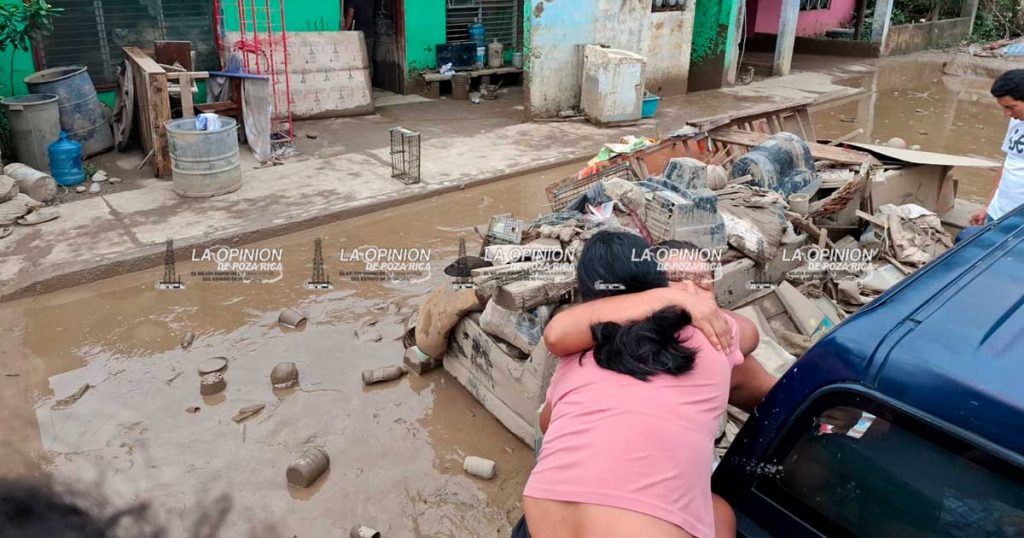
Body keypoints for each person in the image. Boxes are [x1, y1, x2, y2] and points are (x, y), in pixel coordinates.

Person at [521, 231, 742, 538]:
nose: (692, 292)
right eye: (679, 283)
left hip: (544, 510)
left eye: (704, 282)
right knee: (718, 514)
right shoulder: (717, 336)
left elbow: (548, 422)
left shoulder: (577, 353)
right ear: (657, 283)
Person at [544, 239, 776, 414]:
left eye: (704, 285)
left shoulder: (719, 347)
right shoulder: (597, 350)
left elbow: (778, 397)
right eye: (674, 281)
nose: (691, 294)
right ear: (645, 293)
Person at [960, 69, 1024, 241]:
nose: (1007, 114)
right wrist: (988, 206)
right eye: (1004, 108)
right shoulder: (1017, 122)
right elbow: (1008, 164)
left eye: (1010, 107)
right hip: (999, 213)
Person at [342, 0, 376, 76]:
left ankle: (361, 80)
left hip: (357, 34)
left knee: (357, 59)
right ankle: (369, 82)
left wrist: (345, 29)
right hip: (370, 33)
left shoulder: (353, 1)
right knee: (368, 59)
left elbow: (350, 15)